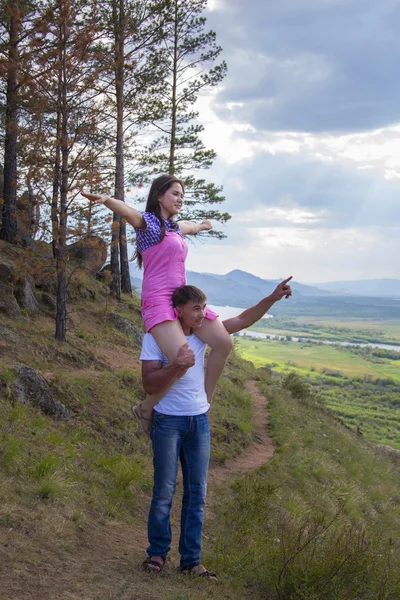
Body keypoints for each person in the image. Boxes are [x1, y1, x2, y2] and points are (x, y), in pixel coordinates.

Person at [140, 277, 292, 580]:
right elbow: (148, 383)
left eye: (205, 307)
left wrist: (272, 298)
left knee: (197, 493)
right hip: (168, 420)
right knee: (163, 492)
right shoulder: (155, 337)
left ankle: (191, 561)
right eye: (196, 309)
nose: (203, 314)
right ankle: (157, 553)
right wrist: (177, 363)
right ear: (178, 310)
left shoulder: (204, 335)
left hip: (199, 421)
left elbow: (243, 319)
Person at [81, 176, 233, 432]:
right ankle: (146, 408)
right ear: (159, 196)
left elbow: (190, 227)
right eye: (175, 193)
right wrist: (108, 200)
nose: (180, 198)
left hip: (183, 300)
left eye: (182, 195)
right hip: (158, 301)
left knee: (224, 342)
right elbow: (129, 212)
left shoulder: (174, 228)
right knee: (182, 359)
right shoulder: (149, 224)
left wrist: (204, 226)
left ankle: (206, 400)